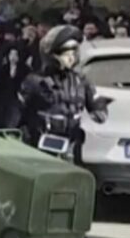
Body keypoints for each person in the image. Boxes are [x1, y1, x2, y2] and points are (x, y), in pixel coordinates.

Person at [18, 25, 110, 159]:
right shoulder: (34, 81)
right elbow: (16, 114)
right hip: (41, 148)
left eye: (74, 52)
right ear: (51, 54)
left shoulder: (81, 81)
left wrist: (98, 112)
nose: (71, 57)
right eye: (66, 53)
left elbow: (99, 110)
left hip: (73, 147)